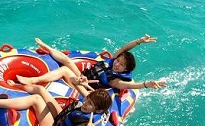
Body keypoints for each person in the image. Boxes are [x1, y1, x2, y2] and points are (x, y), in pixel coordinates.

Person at [16, 37, 166, 92]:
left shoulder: (116, 81)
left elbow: (133, 86)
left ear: (125, 70)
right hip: (83, 77)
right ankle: (46, 47)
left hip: (86, 89)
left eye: (121, 65)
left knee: (64, 70)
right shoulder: (112, 61)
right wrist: (139, 41)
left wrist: (147, 84)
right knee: (68, 61)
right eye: (118, 61)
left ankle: (32, 80)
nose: (117, 64)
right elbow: (124, 49)